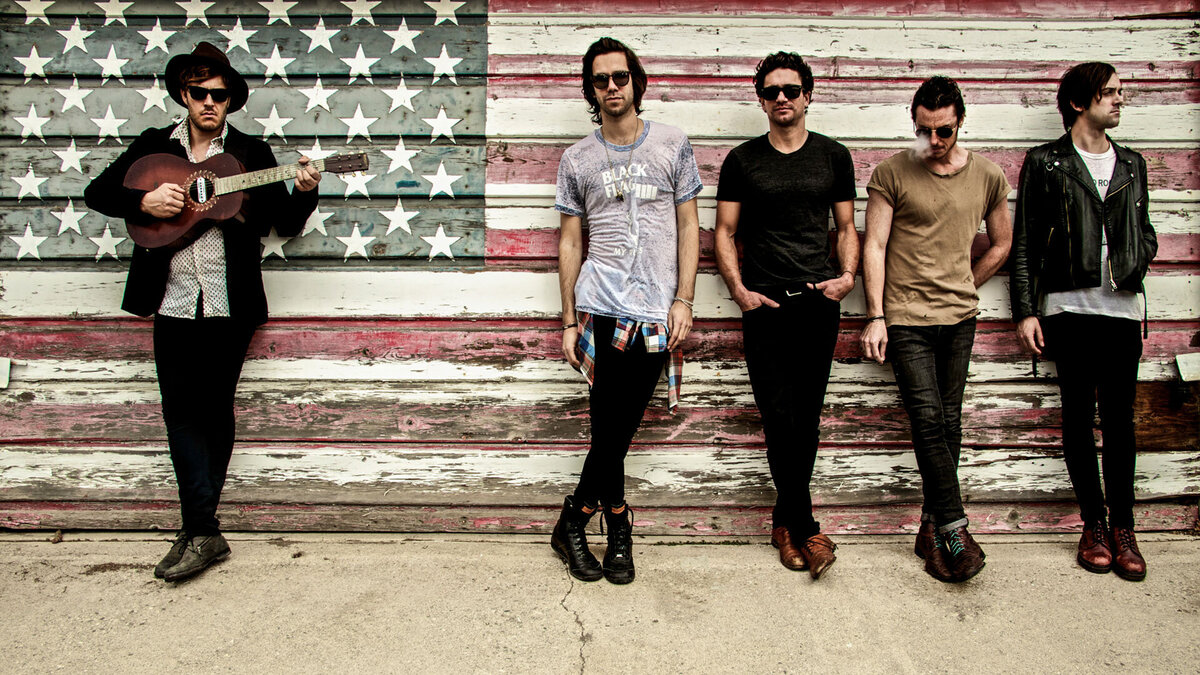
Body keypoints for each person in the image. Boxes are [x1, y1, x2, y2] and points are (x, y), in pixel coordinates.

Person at [84, 42, 321, 582]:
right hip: (170, 299)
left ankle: (199, 531)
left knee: (214, 409)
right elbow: (97, 191)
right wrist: (141, 203)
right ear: (184, 96)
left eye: (220, 94)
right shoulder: (152, 147)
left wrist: (307, 190)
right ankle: (203, 529)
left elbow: (285, 221)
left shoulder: (252, 154)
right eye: (199, 93)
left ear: (231, 100)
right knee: (179, 410)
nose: (210, 102)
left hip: (228, 301)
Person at [551, 37, 701, 584]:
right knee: (610, 429)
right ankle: (618, 527)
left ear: (636, 79)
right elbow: (570, 242)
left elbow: (689, 226)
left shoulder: (672, 144)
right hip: (600, 307)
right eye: (600, 80)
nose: (611, 87)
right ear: (590, 89)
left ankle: (574, 519)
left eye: (620, 76)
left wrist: (684, 298)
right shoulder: (577, 159)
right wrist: (568, 320)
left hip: (656, 309)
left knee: (617, 430)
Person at [859, 76, 1012, 582]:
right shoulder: (891, 173)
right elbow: (874, 247)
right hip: (906, 318)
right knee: (927, 419)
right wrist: (877, 315)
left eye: (942, 131)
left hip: (960, 319)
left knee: (949, 423)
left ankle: (928, 526)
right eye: (923, 130)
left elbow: (1001, 244)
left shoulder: (988, 176)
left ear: (960, 121)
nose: (932, 141)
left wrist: (970, 281)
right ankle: (953, 525)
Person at [1010, 62, 1156, 581]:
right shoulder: (1047, 163)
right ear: (1079, 102)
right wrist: (1025, 309)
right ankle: (1092, 525)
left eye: (1120, 93)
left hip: (1122, 310)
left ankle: (1123, 528)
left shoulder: (1133, 164)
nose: (1119, 101)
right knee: (1076, 418)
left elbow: (1145, 229)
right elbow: (1024, 240)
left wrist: (1138, 258)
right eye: (1109, 93)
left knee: (1120, 422)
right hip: (1068, 309)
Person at [714, 52, 858, 579]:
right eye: (771, 90)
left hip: (817, 303)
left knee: (807, 417)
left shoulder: (833, 157)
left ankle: (784, 524)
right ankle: (808, 527)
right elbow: (724, 233)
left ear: (808, 95)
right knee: (778, 416)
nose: (781, 98)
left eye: (791, 90)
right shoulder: (743, 161)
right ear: (760, 98)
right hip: (766, 306)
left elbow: (846, 227)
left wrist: (846, 279)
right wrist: (738, 289)